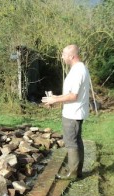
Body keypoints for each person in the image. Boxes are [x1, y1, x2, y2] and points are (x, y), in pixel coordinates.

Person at [42, 44, 90, 180]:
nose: (62, 57)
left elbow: (73, 96)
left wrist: (54, 100)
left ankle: (72, 173)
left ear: (72, 56)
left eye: (63, 54)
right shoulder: (78, 69)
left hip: (73, 113)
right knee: (77, 141)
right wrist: (55, 98)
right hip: (75, 111)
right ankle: (77, 171)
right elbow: (70, 93)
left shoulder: (78, 71)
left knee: (71, 142)